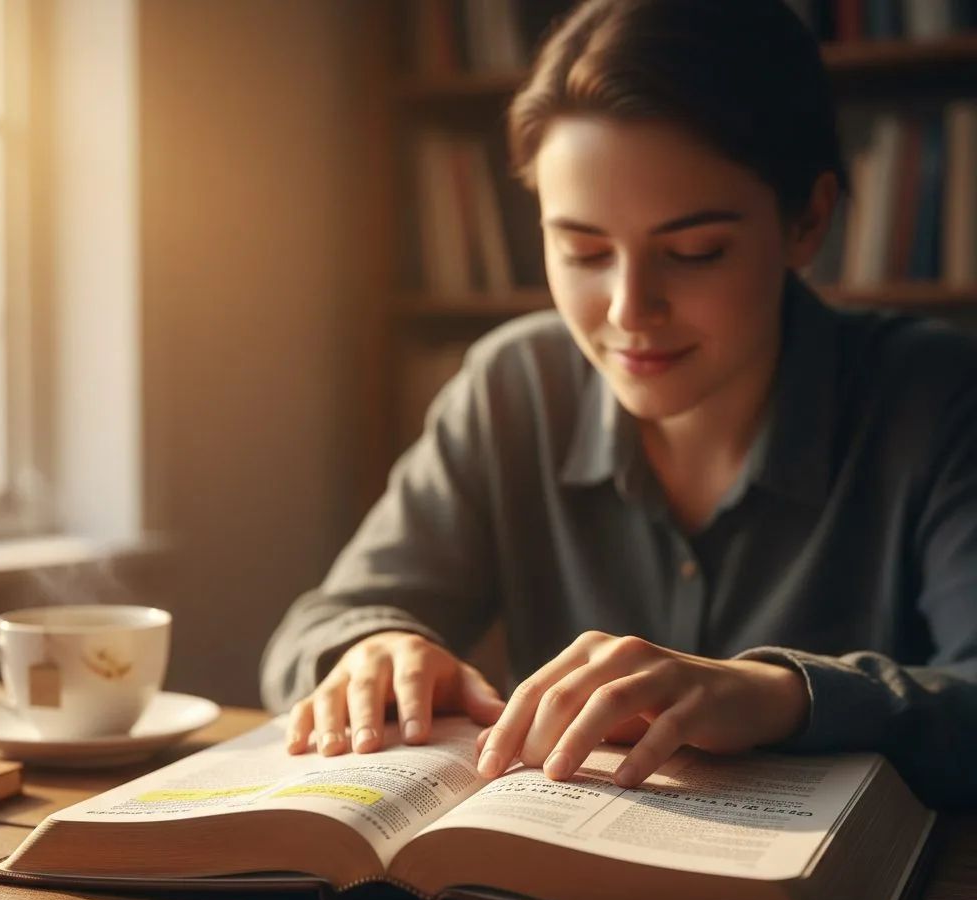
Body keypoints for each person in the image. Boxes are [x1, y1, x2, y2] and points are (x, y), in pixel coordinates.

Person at [261, 0, 977, 808]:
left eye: (695, 252)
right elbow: (322, 625)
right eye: (582, 250)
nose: (630, 309)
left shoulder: (938, 395)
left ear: (807, 220)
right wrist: (374, 645)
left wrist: (781, 694)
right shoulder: (515, 386)